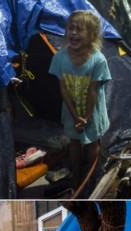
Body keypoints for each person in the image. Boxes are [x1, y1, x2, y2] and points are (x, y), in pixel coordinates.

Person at [48, 10, 111, 188]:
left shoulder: (98, 60)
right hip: (71, 110)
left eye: (79, 29)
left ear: (91, 35)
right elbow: (63, 88)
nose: (73, 33)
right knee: (74, 142)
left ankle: (92, 175)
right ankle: (76, 173)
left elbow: (93, 91)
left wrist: (87, 117)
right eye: (70, 28)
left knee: (92, 143)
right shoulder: (59, 58)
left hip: (93, 111)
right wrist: (75, 115)